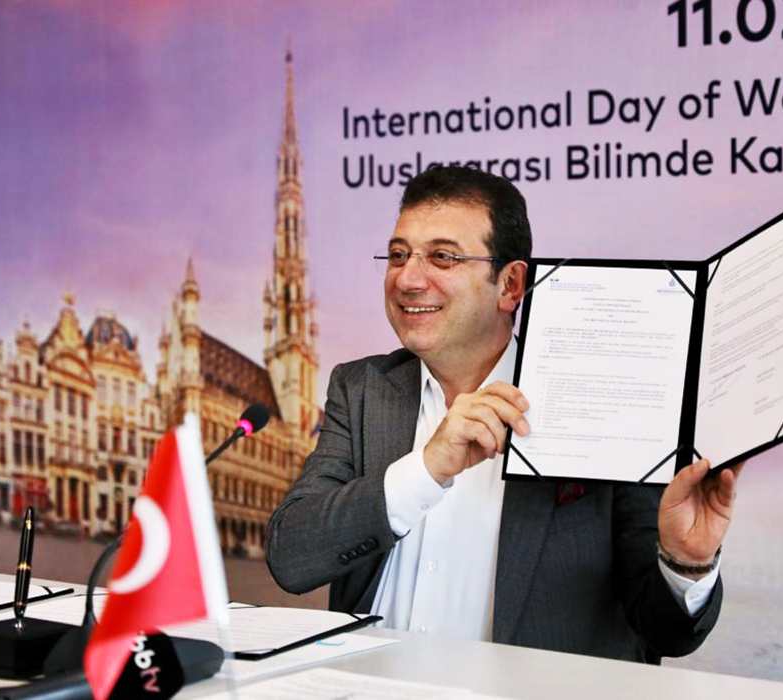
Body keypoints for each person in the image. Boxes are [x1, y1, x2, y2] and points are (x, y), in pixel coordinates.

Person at [266, 165, 742, 663]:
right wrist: (425, 470)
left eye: (442, 257)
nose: (407, 278)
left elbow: (664, 632)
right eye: (399, 254)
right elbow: (291, 558)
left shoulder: (603, 394)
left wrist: (687, 564)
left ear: (511, 285)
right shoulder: (361, 389)